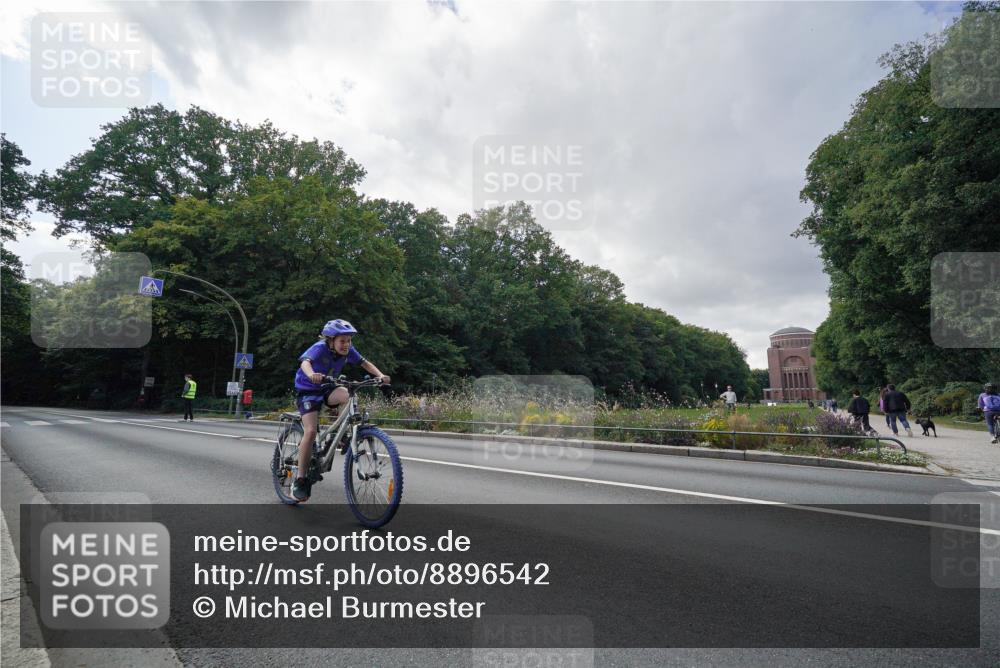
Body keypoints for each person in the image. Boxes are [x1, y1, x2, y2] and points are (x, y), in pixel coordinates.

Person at [292, 319, 390, 502]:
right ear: (331, 341)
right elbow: (305, 362)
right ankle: (300, 479)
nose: (346, 345)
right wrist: (311, 374)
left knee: (348, 394)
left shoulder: (348, 351)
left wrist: (380, 375)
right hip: (308, 390)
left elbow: (364, 363)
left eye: (349, 341)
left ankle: (342, 432)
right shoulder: (319, 348)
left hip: (328, 387)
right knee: (311, 431)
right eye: (342, 341)